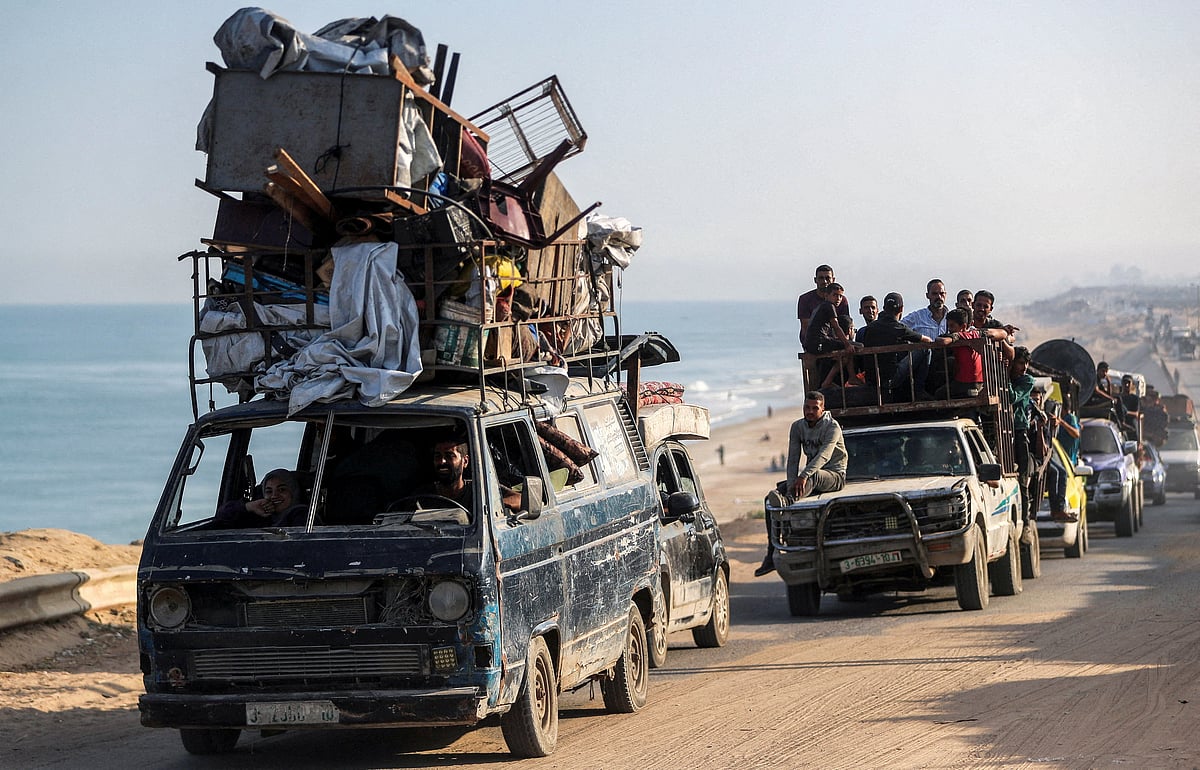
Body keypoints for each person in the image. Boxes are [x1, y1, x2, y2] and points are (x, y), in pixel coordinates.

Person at [756, 391, 848, 576]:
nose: (810, 411)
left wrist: (803, 477)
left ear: (823, 409)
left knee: (812, 477)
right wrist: (791, 484)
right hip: (808, 478)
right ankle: (771, 554)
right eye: (807, 407)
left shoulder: (832, 427)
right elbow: (792, 460)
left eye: (815, 408)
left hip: (833, 476)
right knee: (769, 498)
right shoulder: (797, 427)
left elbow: (824, 456)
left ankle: (787, 503)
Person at [859, 292, 930, 398]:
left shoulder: (870, 327)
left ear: (883, 308)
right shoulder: (899, 328)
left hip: (872, 379)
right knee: (925, 349)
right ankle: (919, 389)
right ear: (901, 309)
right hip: (889, 380)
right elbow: (926, 340)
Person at [931, 309, 1013, 398]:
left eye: (952, 326)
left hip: (964, 383)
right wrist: (1004, 331)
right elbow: (1002, 333)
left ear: (963, 326)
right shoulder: (977, 333)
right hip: (981, 383)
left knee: (939, 394)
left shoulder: (958, 335)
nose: (950, 329)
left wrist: (937, 339)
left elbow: (944, 341)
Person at [804, 282, 860, 387]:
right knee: (856, 347)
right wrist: (847, 344)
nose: (838, 298)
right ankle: (851, 377)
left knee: (842, 354)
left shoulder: (820, 307)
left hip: (815, 342)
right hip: (819, 342)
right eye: (835, 295)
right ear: (827, 295)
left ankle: (831, 379)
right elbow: (836, 327)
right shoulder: (829, 306)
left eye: (840, 296)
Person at [1009, 347, 1038, 542]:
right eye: (1020, 363)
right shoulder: (1012, 377)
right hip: (1004, 432)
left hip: (1019, 431)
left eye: (1026, 363)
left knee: (1023, 480)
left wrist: (1004, 379)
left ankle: (1026, 525)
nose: (1024, 367)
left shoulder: (1027, 381)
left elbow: (1011, 398)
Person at [215, 468, 308, 528]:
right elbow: (221, 518)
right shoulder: (260, 516)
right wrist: (248, 506)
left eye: (282, 490)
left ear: (293, 491)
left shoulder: (302, 516)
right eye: (269, 491)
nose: (274, 496)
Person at [797, 264, 849, 347]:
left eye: (827, 278)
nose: (824, 281)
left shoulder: (841, 300)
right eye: (821, 278)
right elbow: (805, 326)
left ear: (833, 279)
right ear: (815, 280)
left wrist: (846, 343)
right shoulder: (805, 299)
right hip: (816, 341)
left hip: (835, 338)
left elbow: (845, 324)